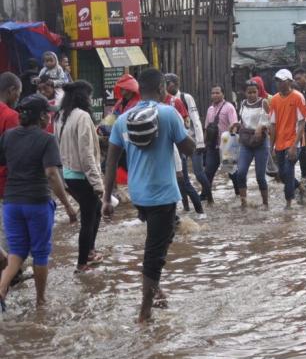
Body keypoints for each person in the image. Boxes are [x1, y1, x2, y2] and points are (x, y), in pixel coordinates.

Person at [102, 68, 195, 323]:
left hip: (139, 196)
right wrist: (189, 136)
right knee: (155, 253)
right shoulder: (168, 113)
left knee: (160, 241)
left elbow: (110, 161)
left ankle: (157, 290)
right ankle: (145, 312)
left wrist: (106, 198)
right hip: (163, 195)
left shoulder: (122, 119)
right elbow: (188, 149)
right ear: (162, 88)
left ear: (140, 89)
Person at [0, 94, 78, 312]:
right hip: (37, 203)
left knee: (16, 253)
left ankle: (1, 289)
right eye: (48, 115)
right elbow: (52, 174)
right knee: (40, 254)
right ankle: (41, 301)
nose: (50, 119)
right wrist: (69, 206)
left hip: (11, 203)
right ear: (42, 117)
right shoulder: (47, 139)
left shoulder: (8, 136)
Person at [54, 81, 104, 273]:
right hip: (81, 175)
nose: (91, 100)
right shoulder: (82, 116)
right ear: (84, 97)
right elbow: (86, 154)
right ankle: (82, 263)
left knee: (95, 210)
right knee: (88, 219)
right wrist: (98, 183)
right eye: (90, 96)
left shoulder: (61, 116)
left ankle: (90, 251)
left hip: (68, 175)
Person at [165, 74, 209, 212]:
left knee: (197, 173)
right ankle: (186, 207)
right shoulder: (165, 100)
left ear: (174, 84)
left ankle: (209, 197)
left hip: (191, 141)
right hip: (176, 143)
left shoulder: (185, 98)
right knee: (181, 179)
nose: (165, 86)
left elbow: (195, 119)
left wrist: (200, 142)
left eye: (167, 83)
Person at [270, 69, 306, 208]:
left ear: (290, 82)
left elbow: (301, 123)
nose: (279, 83)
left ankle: (289, 204)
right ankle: (301, 188)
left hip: (294, 142)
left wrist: (294, 145)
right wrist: (271, 147)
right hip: (280, 142)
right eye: (277, 81)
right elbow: (273, 125)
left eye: (282, 81)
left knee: (288, 171)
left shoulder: (298, 97)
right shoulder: (274, 99)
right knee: (281, 174)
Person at [234, 80, 271, 208]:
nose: (251, 95)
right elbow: (242, 120)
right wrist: (236, 125)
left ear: (258, 91)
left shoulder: (263, 102)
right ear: (245, 93)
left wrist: (261, 127)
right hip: (246, 142)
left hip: (261, 142)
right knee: (241, 172)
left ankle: (265, 203)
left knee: (260, 176)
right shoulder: (243, 103)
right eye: (249, 92)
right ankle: (244, 203)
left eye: (254, 92)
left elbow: (270, 120)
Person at [0, 72, 22, 284]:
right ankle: (10, 276)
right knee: (9, 233)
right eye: (18, 93)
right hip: (6, 184)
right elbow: (15, 155)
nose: (18, 98)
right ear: (11, 91)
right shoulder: (10, 116)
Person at [203, 85, 237, 201]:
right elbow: (206, 127)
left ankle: (239, 195)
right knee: (208, 172)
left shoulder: (229, 108)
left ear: (223, 94)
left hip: (227, 145)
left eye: (217, 93)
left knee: (232, 173)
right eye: (213, 93)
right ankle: (207, 198)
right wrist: (204, 144)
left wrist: (231, 145)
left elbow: (234, 126)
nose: (215, 95)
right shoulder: (210, 109)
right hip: (213, 146)